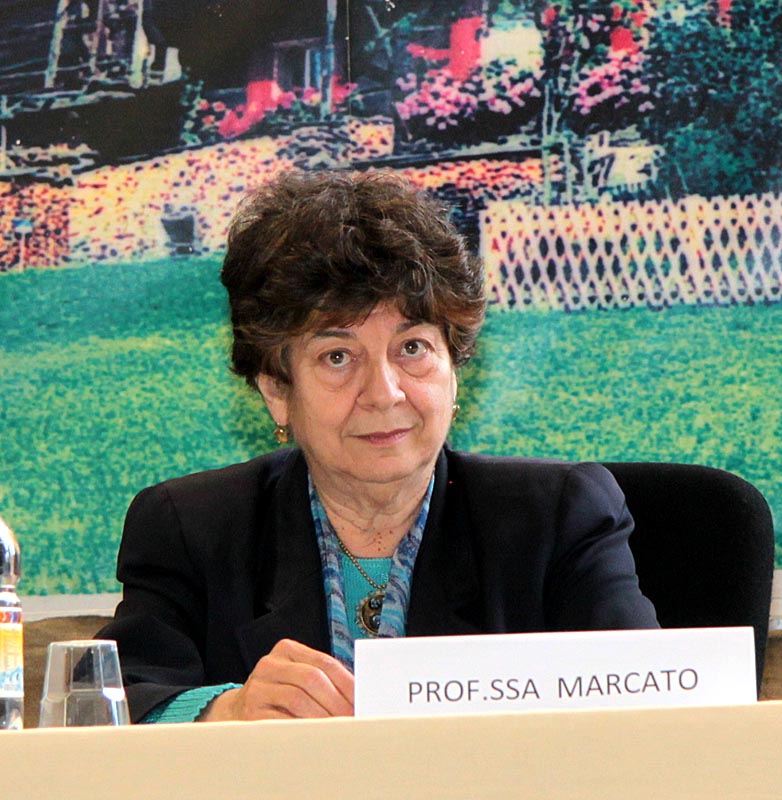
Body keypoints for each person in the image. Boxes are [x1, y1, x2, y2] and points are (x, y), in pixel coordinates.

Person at [99, 169, 658, 724]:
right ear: (277, 391)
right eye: (337, 357)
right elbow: (112, 704)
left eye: (412, 347)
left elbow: (652, 708)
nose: (384, 392)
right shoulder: (191, 529)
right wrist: (226, 711)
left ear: (454, 370)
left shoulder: (559, 518)